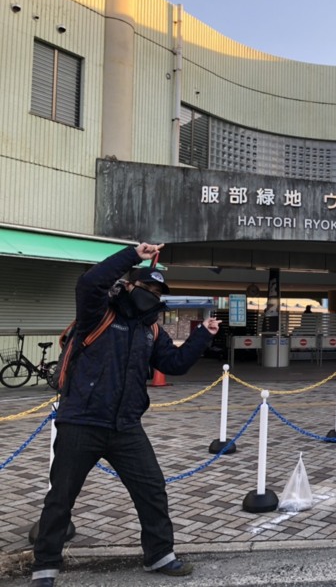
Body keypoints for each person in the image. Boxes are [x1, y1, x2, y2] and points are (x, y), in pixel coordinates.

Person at [30, 243, 221, 587]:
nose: (152, 295)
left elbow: (174, 364)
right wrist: (134, 255)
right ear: (129, 285)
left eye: (158, 292)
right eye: (147, 287)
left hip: (126, 426)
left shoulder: (151, 330)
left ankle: (159, 554)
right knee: (61, 497)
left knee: (152, 488)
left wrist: (202, 336)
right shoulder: (98, 312)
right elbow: (89, 283)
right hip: (81, 421)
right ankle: (45, 566)